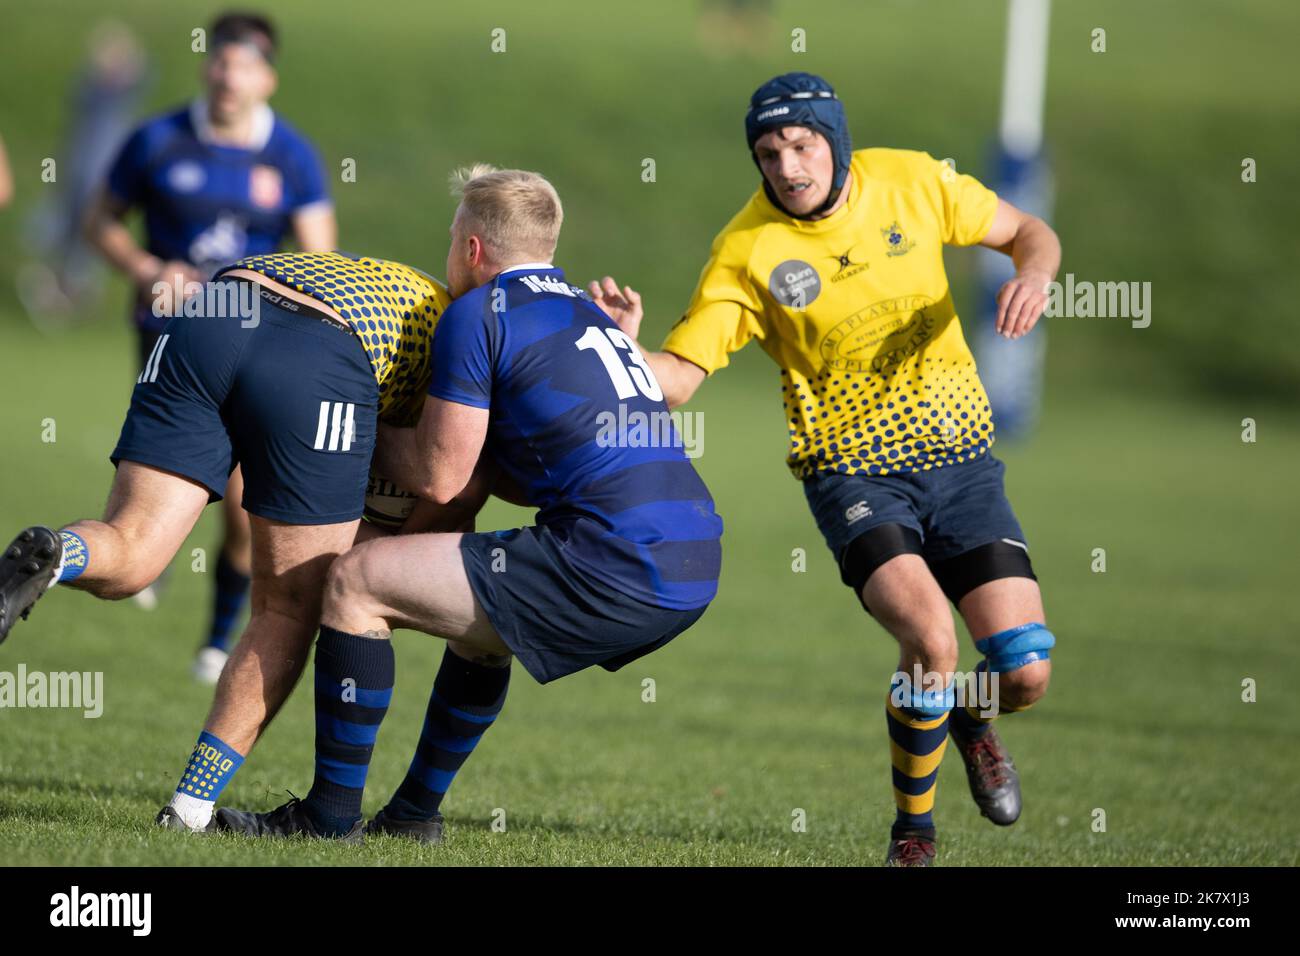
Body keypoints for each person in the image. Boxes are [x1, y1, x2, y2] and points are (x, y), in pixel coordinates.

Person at [588, 72, 1062, 865]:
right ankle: (914, 832)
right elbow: (677, 379)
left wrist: (1034, 274)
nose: (787, 167)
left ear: (835, 143)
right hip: (853, 475)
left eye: (802, 145)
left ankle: (971, 715)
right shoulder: (747, 251)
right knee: (931, 640)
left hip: (962, 464)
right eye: (769, 154)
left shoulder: (911, 181)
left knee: (1026, 673)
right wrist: (620, 347)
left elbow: (1029, 231)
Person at [214, 166, 723, 842]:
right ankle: (411, 818)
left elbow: (440, 475)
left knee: (355, 583)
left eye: (453, 237)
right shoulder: (586, 313)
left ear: (473, 247)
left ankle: (327, 818)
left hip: (615, 557)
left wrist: (337, 418)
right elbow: (537, 459)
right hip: (694, 562)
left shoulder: (479, 312)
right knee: (484, 630)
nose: (450, 252)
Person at [0, 251, 469, 838]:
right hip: (319, 347)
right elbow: (449, 481)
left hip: (215, 309)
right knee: (287, 606)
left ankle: (57, 554)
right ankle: (189, 809)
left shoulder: (411, 290)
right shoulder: (469, 337)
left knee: (133, 550)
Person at [83, 11, 336, 682]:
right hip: (167, 338)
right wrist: (146, 268)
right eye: (220, 62)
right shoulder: (157, 139)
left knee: (243, 497)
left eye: (244, 66)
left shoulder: (292, 155)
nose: (228, 77)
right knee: (166, 471)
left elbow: (321, 261)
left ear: (267, 78)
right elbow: (98, 221)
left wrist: (263, 297)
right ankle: (143, 551)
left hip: (252, 348)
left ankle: (216, 641)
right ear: (207, 66)